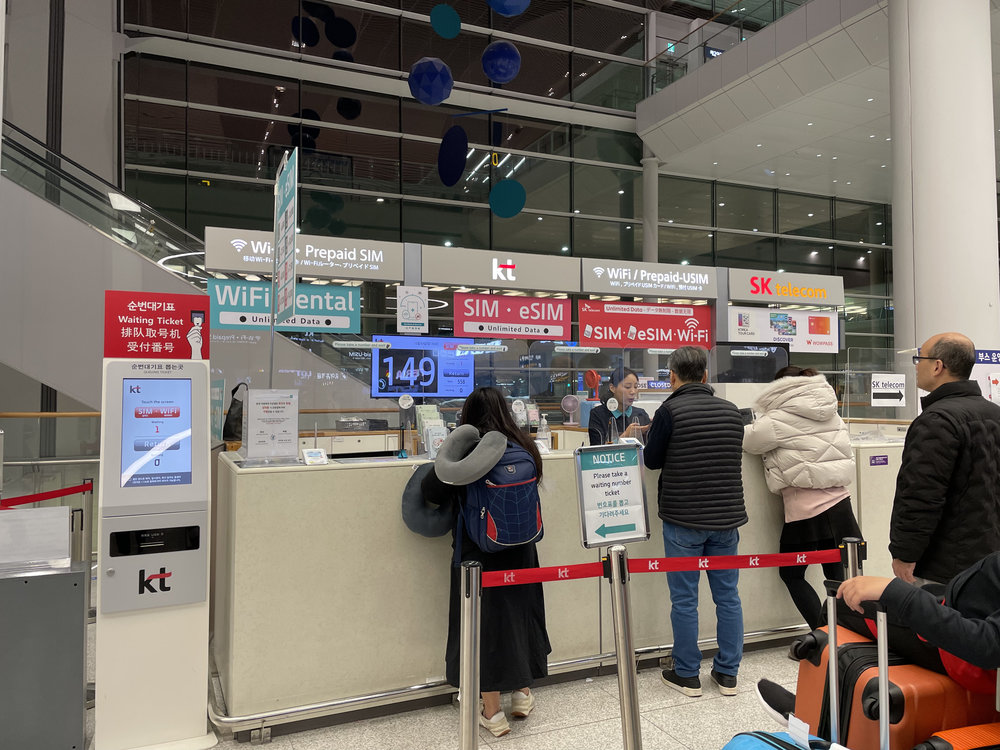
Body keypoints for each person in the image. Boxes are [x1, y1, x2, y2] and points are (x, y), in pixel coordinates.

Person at [424, 387, 551, 738]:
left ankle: (492, 713)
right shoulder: (525, 447)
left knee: (484, 628)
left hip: (478, 555)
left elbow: (432, 490)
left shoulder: (466, 453)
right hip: (523, 550)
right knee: (521, 618)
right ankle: (523, 695)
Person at [756, 551, 1000, 725]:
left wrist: (895, 592)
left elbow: (988, 645)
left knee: (839, 604)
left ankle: (810, 713)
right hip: (962, 604)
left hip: (961, 654)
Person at [644, 346, 747, 698]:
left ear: (672, 377)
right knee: (728, 597)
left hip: (683, 519)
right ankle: (728, 673)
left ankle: (687, 674)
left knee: (685, 600)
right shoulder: (732, 412)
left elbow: (652, 460)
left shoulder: (669, 410)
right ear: (705, 376)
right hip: (726, 520)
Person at [743, 366, 859, 630]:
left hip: (807, 510)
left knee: (791, 574)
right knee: (837, 576)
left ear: (780, 388)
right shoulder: (832, 412)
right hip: (841, 505)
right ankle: (846, 636)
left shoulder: (778, 418)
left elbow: (748, 441)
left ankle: (822, 635)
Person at [890, 332, 1000, 584]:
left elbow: (921, 495)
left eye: (920, 359)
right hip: (990, 557)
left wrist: (905, 554)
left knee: (938, 622)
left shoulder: (936, 421)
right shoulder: (994, 413)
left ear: (938, 366)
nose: (917, 366)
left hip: (946, 565)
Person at [588, 367, 651, 445]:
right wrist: (625, 436)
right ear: (612, 388)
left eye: (636, 387)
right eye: (627, 387)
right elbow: (596, 451)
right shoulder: (598, 414)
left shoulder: (641, 414)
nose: (633, 391)